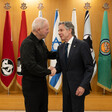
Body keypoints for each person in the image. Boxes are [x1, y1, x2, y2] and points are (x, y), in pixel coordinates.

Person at [50, 21, 94, 112]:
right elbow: (60, 66)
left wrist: (83, 86)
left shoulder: (82, 45)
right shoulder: (61, 47)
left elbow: (89, 68)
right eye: (58, 30)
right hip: (66, 89)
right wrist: (54, 69)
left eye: (61, 30)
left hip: (78, 87)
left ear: (70, 30)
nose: (59, 33)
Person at [20, 17, 56, 112]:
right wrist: (49, 71)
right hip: (31, 85)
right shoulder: (27, 43)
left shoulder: (40, 42)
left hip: (41, 83)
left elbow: (47, 54)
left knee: (43, 109)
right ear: (38, 29)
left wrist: (63, 51)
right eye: (47, 29)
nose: (48, 31)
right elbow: (31, 66)